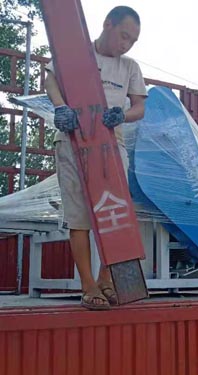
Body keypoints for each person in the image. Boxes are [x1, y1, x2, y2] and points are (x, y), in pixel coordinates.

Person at [45, 5, 148, 310]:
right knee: (79, 216)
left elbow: (139, 107)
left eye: (132, 41)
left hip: (111, 144)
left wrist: (123, 115)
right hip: (72, 139)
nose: (126, 45)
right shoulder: (77, 54)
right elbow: (50, 78)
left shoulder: (130, 67)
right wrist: (61, 107)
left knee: (114, 210)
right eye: (124, 36)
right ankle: (88, 285)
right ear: (108, 24)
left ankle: (106, 280)